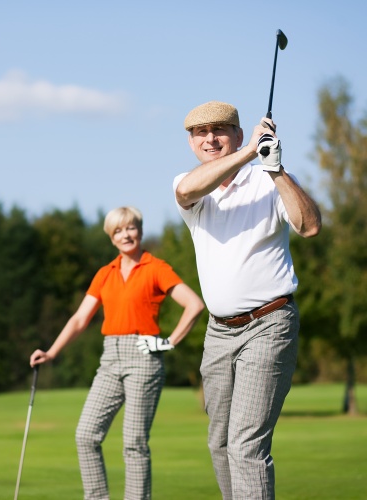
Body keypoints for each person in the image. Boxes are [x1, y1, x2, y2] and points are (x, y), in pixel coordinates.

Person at [172, 101, 322, 499]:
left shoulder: (268, 181)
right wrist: (249, 151)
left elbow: (309, 226)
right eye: (201, 133)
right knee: (219, 443)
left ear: (238, 133)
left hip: (270, 325)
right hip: (219, 334)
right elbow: (188, 189)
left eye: (220, 130)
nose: (210, 139)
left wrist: (275, 169)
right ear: (191, 143)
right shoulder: (189, 185)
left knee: (245, 446)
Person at [30, 206, 204, 500]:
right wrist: (51, 352)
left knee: (134, 442)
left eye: (131, 228)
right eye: (118, 231)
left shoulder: (156, 268)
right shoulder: (104, 274)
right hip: (110, 358)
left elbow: (194, 305)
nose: (126, 234)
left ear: (140, 230)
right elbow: (79, 319)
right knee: (86, 435)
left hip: (144, 358)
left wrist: (168, 341)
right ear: (111, 238)